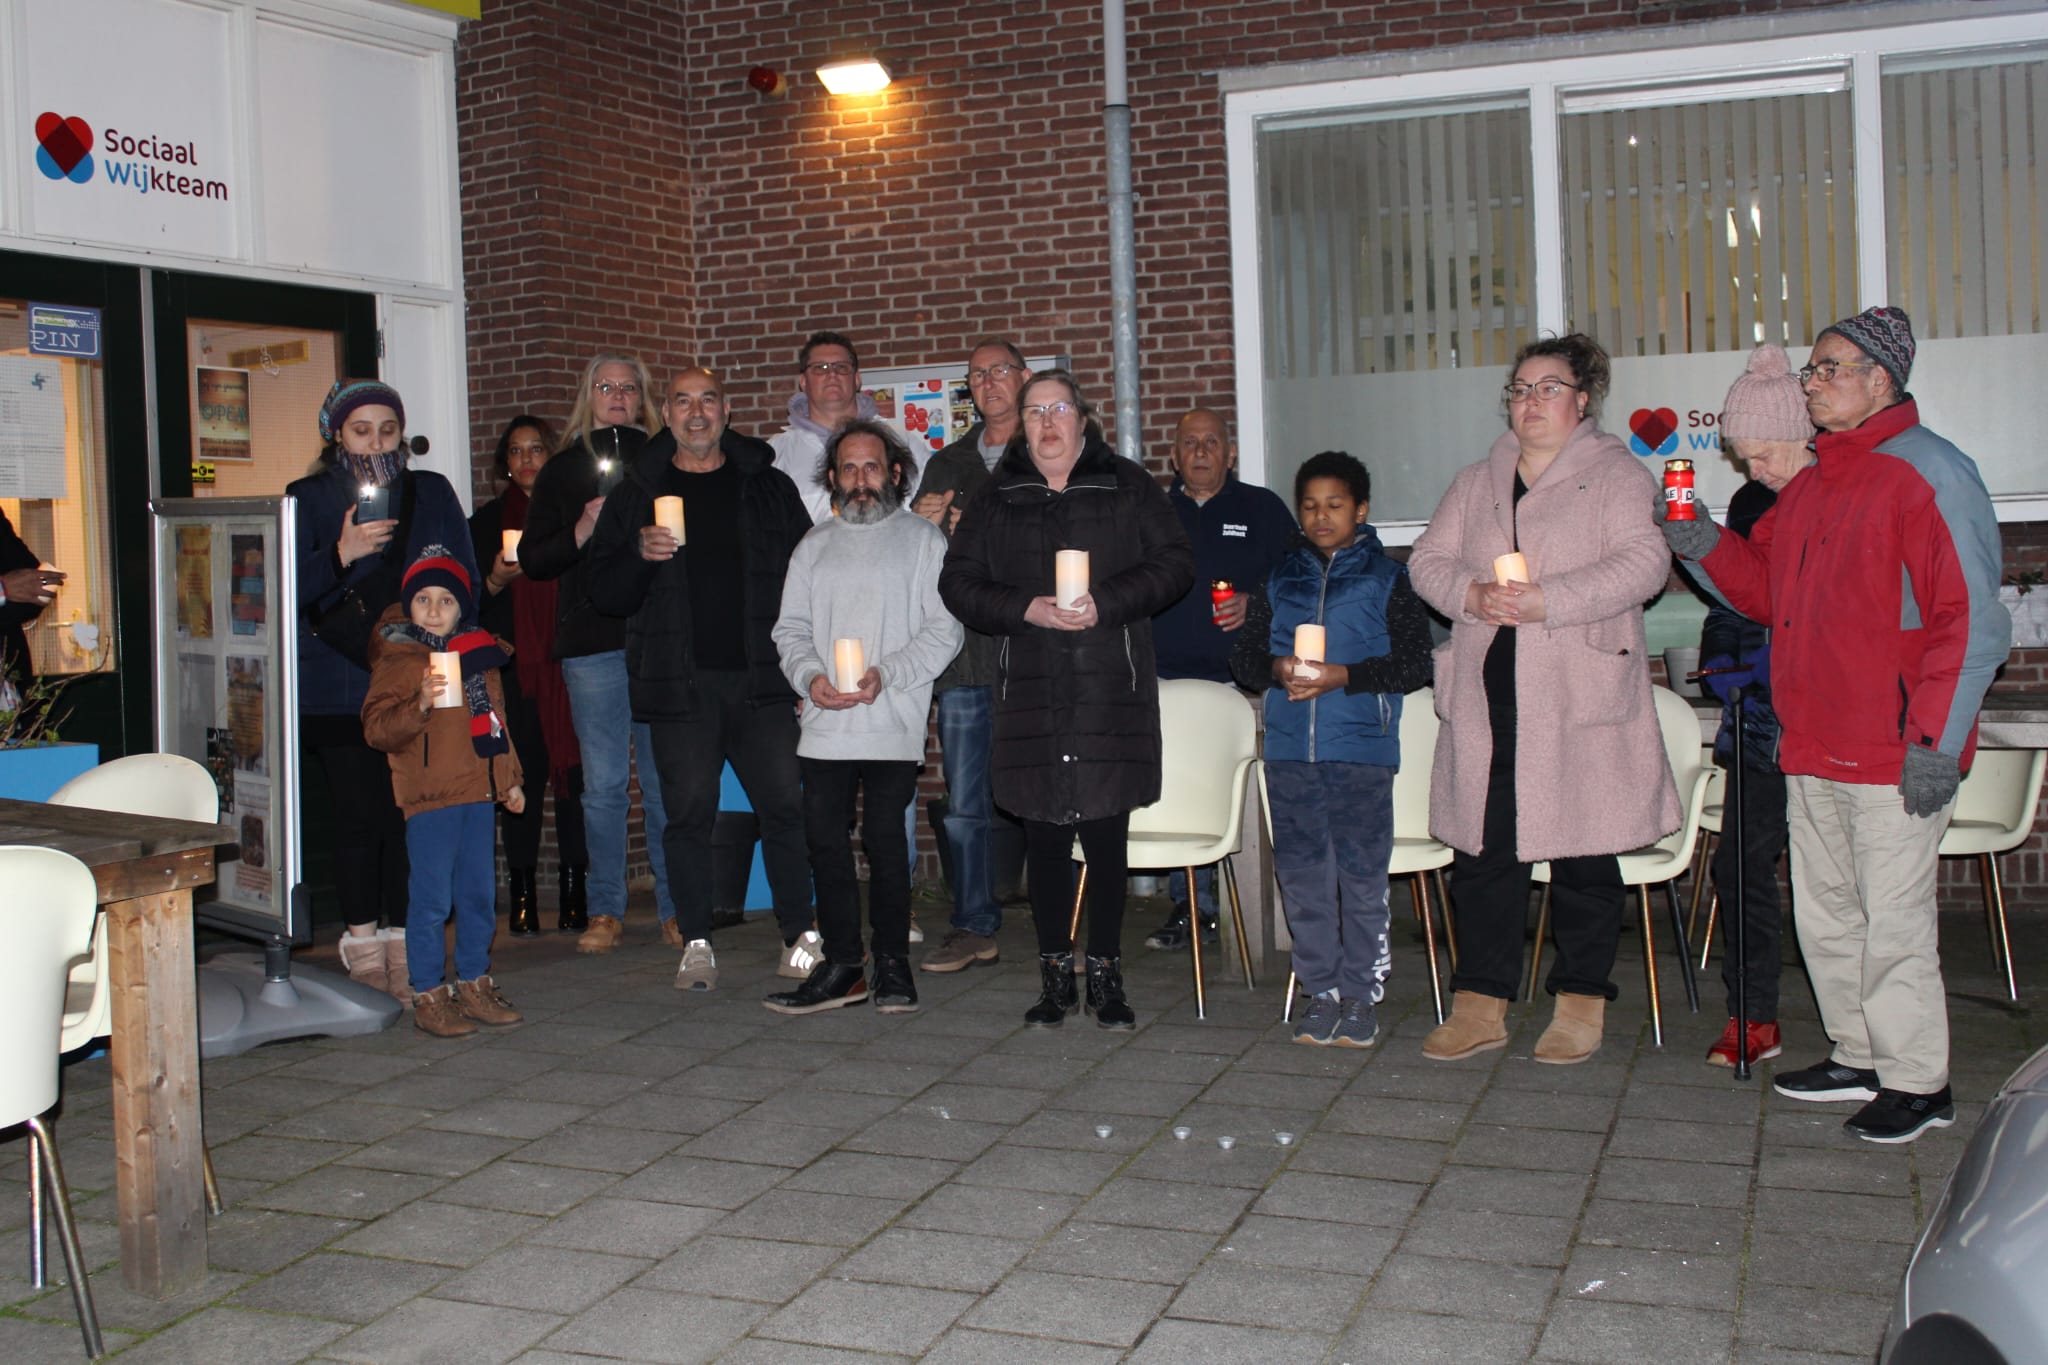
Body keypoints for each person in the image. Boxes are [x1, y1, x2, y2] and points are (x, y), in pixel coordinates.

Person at [1663, 307, 2010, 1142]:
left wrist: (1936, 740)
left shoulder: (1929, 473)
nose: (1810, 383)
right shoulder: (1818, 480)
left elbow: (1972, 623)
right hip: (1812, 742)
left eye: (1827, 369)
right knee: (1828, 914)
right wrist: (1702, 541)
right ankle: (1860, 1052)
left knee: (1893, 924)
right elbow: (1765, 593)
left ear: (1879, 380)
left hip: (1894, 749)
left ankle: (1920, 1082)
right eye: (1812, 369)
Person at [1409, 334, 1679, 1066]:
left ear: (1583, 398)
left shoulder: (1618, 475)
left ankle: (1581, 1002)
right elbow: (1428, 561)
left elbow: (1645, 563)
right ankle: (1479, 1002)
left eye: (1548, 387)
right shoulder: (1476, 480)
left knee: (1585, 853)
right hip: (1490, 695)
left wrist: (1547, 601)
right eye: (1520, 389)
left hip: (1575, 693)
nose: (1530, 402)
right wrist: (1470, 593)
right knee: (1483, 851)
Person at [940, 369, 1195, 1030]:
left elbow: (1174, 563)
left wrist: (1104, 604)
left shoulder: (1127, 483)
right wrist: (1027, 609)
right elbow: (959, 583)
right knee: (1045, 838)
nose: (1047, 423)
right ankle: (1055, 974)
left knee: (1107, 835)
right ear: (1020, 426)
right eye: (1034, 412)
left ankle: (1105, 973)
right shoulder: (998, 495)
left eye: (1058, 409)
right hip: (1030, 685)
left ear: (1083, 418)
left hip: (1111, 684)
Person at [584, 367, 818, 992]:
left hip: (762, 681)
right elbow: (602, 592)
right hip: (679, 687)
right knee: (688, 817)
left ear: (726, 410)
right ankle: (695, 942)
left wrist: (807, 669)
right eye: (683, 401)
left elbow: (810, 577)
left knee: (785, 810)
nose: (696, 413)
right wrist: (637, 555)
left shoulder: (767, 486)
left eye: (707, 401)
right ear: (666, 412)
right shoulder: (638, 493)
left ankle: (802, 936)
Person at [1230, 451, 1432, 1047]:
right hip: (1291, 752)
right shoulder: (1278, 577)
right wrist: (1277, 666)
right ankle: (1319, 991)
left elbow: (1415, 663)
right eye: (1311, 506)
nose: (1322, 517)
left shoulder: (1390, 579)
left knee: (1361, 878)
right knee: (1302, 877)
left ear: (1361, 510)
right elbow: (1243, 659)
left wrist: (1344, 676)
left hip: (1362, 752)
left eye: (1335, 505)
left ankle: (1361, 994)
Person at [766, 419, 962, 1015]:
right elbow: (790, 630)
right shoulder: (812, 546)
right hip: (825, 725)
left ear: (895, 473)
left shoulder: (923, 542)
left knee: (885, 843)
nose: (860, 480)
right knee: (824, 842)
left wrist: (890, 673)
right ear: (832, 478)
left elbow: (944, 629)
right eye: (848, 469)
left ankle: (894, 965)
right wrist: (809, 678)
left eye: (871, 467)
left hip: (891, 721)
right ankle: (845, 966)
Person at [291, 379, 475, 1004]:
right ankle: (362, 944)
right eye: (360, 430)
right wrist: (340, 554)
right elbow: (279, 591)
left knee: (410, 815)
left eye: (387, 430)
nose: (375, 442)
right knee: (358, 817)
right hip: (337, 682)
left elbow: (464, 578)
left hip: (414, 677)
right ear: (335, 434)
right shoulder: (308, 497)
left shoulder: (432, 492)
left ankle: (406, 944)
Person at [520, 354, 680, 950]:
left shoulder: (665, 460)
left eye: (629, 387)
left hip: (658, 641)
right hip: (592, 645)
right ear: (589, 395)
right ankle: (605, 910)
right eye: (606, 386)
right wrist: (582, 532)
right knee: (606, 784)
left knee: (665, 784)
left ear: (643, 398)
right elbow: (533, 560)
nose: (617, 396)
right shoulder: (563, 470)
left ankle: (675, 907)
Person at [1690, 345, 1815, 1068]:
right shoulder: (1749, 502)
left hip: (1827, 714)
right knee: (1739, 866)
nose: (1753, 469)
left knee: (1837, 877)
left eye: (1763, 454)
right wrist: (1723, 664)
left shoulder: (1836, 489)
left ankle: (1864, 1026)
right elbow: (1738, 596)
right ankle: (1752, 1014)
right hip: (1760, 710)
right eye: (1743, 456)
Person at [1145, 406, 1297, 953]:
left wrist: (1257, 608)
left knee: (1246, 801)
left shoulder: (1263, 509)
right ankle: (1190, 910)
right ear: (1175, 454)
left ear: (1230, 453)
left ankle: (1252, 911)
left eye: (1212, 442)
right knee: (1180, 793)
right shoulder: (1153, 513)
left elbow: (1303, 582)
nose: (1201, 451)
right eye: (1190, 443)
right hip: (1165, 685)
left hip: (1244, 690)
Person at [361, 547, 525, 1038]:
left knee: (477, 895)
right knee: (431, 901)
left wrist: (509, 778)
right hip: (431, 797)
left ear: (462, 608)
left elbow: (495, 721)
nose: (435, 610)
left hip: (476, 792)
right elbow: (377, 728)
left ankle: (474, 982)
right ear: (408, 604)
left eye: (447, 600)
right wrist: (420, 703)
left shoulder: (476, 652)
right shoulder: (399, 658)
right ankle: (428, 991)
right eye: (424, 599)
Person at [910, 339, 1030, 974]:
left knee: (1044, 790)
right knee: (964, 804)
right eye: (977, 376)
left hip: (1033, 655)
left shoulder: (1043, 452)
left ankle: (1062, 925)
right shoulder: (947, 462)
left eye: (999, 371)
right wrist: (921, 526)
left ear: (1024, 377)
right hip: (963, 660)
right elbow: (917, 559)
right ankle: (974, 923)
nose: (988, 383)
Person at [469, 415, 587, 937]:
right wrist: (494, 579)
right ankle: (520, 897)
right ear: (504, 464)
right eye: (515, 452)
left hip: (567, 671)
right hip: (512, 674)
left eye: (536, 449)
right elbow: (463, 604)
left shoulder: (570, 518)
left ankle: (574, 893)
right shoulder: (485, 522)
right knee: (518, 780)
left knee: (572, 784)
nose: (526, 461)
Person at [771, 331, 884, 525]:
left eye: (841, 367)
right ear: (803, 381)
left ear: (856, 379)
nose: (832, 374)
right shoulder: (776, 454)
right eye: (820, 368)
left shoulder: (900, 443)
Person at [0, 508, 61, 705]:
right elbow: (10, 588)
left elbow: (29, 585)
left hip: (10, 695)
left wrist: (36, 587)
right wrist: (4, 589)